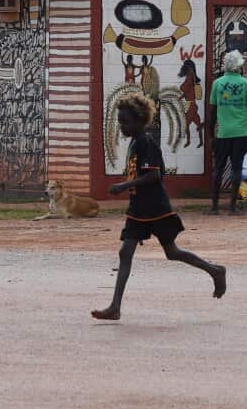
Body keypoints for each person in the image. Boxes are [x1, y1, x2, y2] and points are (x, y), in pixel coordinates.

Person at [92, 94, 226, 321]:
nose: (122, 126)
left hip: (156, 207)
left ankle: (215, 270)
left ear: (139, 121)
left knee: (172, 252)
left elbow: (154, 175)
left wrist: (124, 185)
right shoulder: (135, 142)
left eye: (125, 122)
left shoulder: (146, 142)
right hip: (137, 208)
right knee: (125, 252)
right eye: (120, 121)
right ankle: (115, 307)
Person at [206, 50, 247, 215]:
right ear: (239, 67)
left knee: (218, 169)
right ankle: (232, 207)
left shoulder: (217, 84)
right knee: (236, 169)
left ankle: (214, 207)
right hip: (241, 133)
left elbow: (212, 112)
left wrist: (210, 135)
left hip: (223, 134)